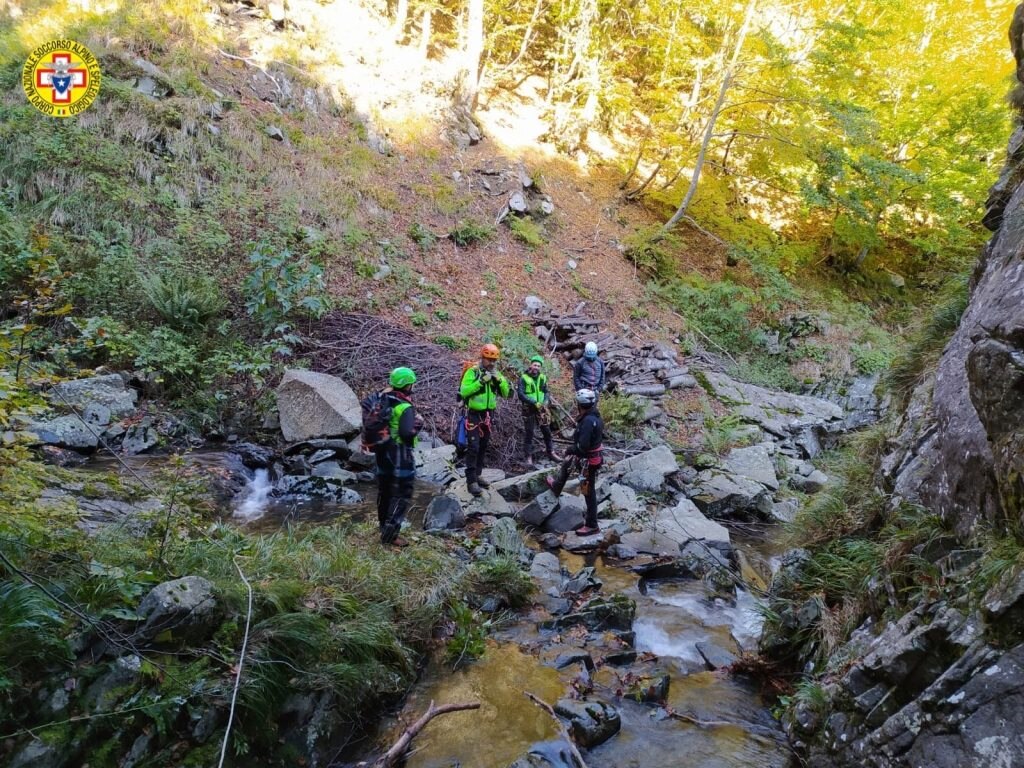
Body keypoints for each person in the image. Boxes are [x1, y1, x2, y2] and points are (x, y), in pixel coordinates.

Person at [374, 367, 422, 546]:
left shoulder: (382, 398)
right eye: (412, 383)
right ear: (407, 385)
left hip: (382, 452)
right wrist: (419, 424)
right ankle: (390, 535)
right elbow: (407, 434)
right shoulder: (405, 407)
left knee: (385, 492)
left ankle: (383, 527)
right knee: (402, 493)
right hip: (400, 455)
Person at [546, 388, 604, 536]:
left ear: (579, 404)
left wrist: (569, 450)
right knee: (567, 464)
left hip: (588, 462)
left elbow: (582, 447)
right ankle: (556, 486)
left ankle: (592, 525)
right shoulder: (594, 417)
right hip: (590, 459)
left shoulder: (588, 421)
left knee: (588, 492)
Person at [459, 343, 511, 495]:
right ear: (482, 358)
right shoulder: (472, 372)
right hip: (474, 414)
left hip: (488, 415)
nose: (492, 363)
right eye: (489, 360)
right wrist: (481, 381)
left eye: (494, 360)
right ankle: (471, 480)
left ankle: (478, 474)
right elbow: (464, 391)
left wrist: (499, 380)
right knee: (473, 447)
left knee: (483, 446)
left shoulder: (497, 373)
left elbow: (506, 393)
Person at [517, 355, 562, 468]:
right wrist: (533, 402)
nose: (536, 367)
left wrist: (546, 401)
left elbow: (546, 391)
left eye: (538, 365)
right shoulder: (523, 378)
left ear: (540, 367)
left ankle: (551, 452)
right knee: (529, 433)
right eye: (534, 365)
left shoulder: (542, 377)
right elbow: (521, 394)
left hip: (542, 408)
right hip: (529, 409)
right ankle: (528, 457)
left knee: (546, 431)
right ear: (531, 365)